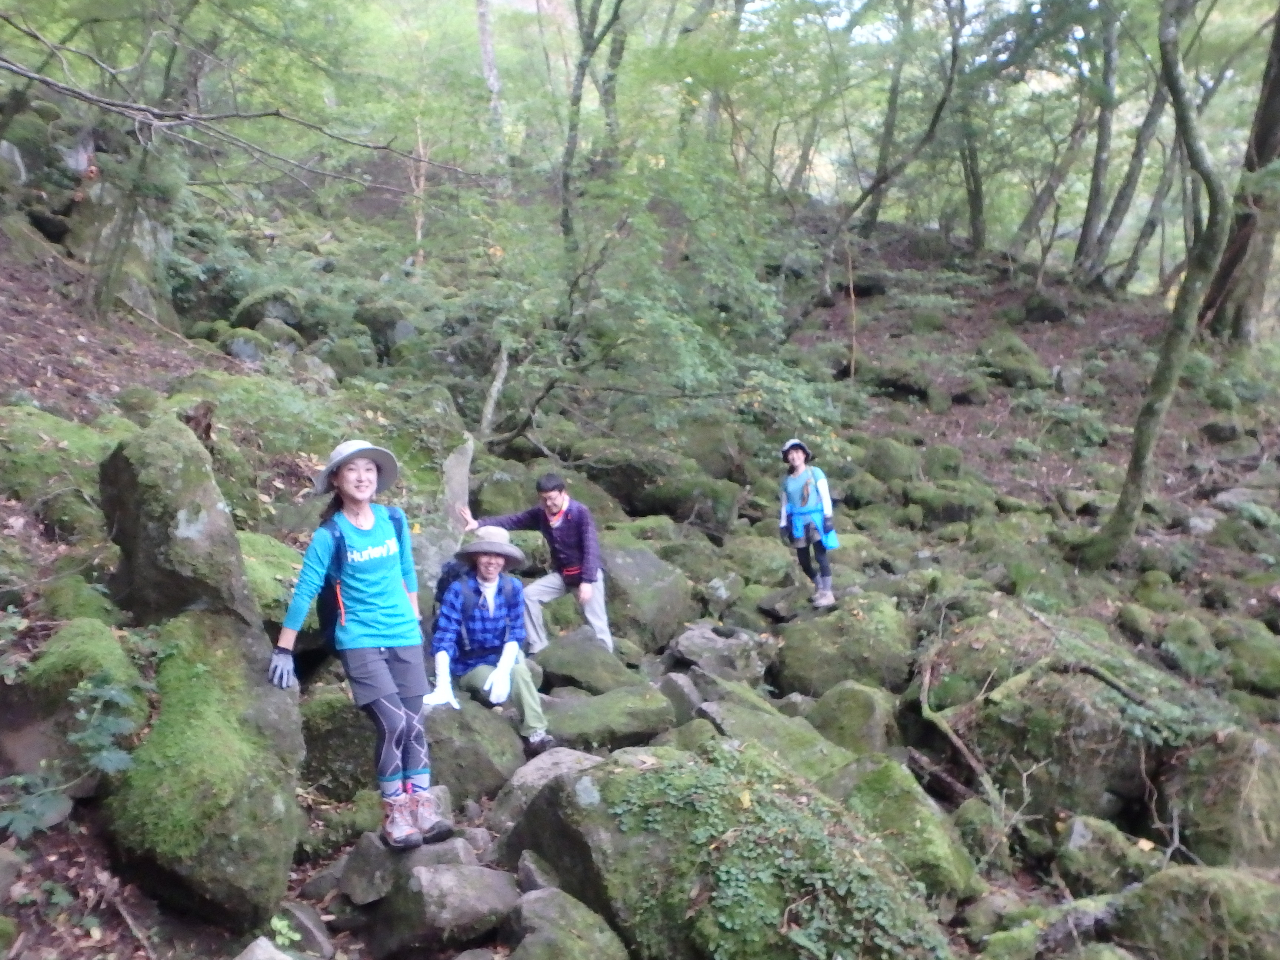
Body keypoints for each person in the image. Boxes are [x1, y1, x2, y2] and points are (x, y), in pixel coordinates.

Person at [268, 440, 452, 850]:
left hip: (403, 634)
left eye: (369, 469)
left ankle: (422, 804)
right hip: (361, 639)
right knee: (394, 723)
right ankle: (395, 813)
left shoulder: (395, 520)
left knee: (416, 722)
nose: (362, 476)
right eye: (352, 470)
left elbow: (406, 571)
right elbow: (305, 590)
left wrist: (415, 620)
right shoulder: (330, 535)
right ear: (336, 479)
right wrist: (284, 648)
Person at [424, 527, 558, 757]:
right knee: (496, 689)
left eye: (497, 556)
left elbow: (516, 631)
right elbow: (444, 637)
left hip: (502, 653)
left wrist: (504, 668)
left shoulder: (512, 587)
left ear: (505, 560)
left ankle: (535, 733)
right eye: (486, 554)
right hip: (469, 663)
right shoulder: (459, 590)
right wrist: (443, 685)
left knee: (519, 672)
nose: (492, 561)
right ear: (476, 557)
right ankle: (488, 698)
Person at [458, 473, 612, 653]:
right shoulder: (541, 514)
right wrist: (479, 523)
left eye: (552, 498)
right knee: (528, 595)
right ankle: (539, 647)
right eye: (543, 499)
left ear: (563, 493)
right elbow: (513, 520)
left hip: (586, 574)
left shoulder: (579, 513)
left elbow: (591, 547)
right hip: (564, 574)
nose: (548, 503)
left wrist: (587, 581)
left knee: (596, 620)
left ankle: (608, 658)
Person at [779, 438, 838, 608]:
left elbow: (825, 496)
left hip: (815, 519)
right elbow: (785, 505)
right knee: (803, 560)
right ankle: (819, 586)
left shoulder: (815, 473)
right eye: (790, 454)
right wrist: (783, 524)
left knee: (820, 555)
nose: (794, 456)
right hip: (797, 522)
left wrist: (828, 517)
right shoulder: (787, 481)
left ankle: (828, 592)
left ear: (804, 455)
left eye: (797, 452)